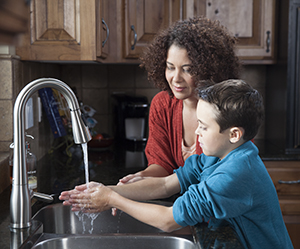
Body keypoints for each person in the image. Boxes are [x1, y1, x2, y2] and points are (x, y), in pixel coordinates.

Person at [59, 79, 293, 249]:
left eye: (204, 126)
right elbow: (166, 185)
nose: (196, 132)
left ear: (233, 134)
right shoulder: (218, 155)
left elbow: (169, 220)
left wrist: (113, 200)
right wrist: (108, 190)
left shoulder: (235, 174)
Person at [119, 16, 242, 184]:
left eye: (187, 70)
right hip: (185, 202)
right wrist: (142, 177)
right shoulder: (162, 105)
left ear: (208, 70)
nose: (176, 78)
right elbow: (162, 164)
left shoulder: (229, 109)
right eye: (170, 67)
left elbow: (225, 176)